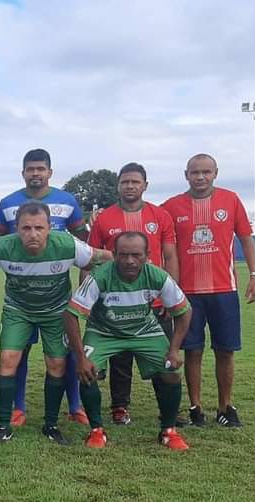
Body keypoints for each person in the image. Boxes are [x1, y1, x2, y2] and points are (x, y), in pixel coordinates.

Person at [0, 203, 111, 442]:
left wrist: (140, 267)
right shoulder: (2, 246)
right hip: (18, 310)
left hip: (56, 312)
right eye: (26, 228)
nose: (32, 234)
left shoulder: (67, 245)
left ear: (49, 228)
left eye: (39, 227)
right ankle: (3, 426)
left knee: (56, 364)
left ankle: (51, 425)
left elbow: (103, 257)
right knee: (7, 360)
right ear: (16, 228)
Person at [0, 148, 91, 427]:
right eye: (30, 169)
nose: (35, 173)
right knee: (15, 353)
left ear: (49, 172)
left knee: (63, 354)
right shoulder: (8, 203)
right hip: (19, 295)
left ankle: (75, 405)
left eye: (40, 169)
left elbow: (84, 241)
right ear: (23, 173)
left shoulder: (67, 201)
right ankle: (18, 407)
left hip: (56, 294)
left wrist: (85, 285)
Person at [64, 232, 193, 450]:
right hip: (103, 331)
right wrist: (80, 358)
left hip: (144, 329)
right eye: (123, 255)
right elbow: (70, 314)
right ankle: (96, 431)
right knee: (87, 372)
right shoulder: (100, 276)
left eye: (136, 254)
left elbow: (184, 311)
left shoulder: (157, 276)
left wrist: (174, 349)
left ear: (147, 255)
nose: (130, 260)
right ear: (113, 255)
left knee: (170, 373)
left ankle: (169, 431)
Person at [162, 153, 255, 427]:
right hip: (187, 293)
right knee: (192, 351)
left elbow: (245, 238)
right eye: (195, 172)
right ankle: (195, 408)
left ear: (216, 173)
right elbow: (150, 225)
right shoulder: (171, 206)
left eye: (206, 172)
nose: (201, 177)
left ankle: (225, 407)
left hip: (223, 290)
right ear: (186, 175)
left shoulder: (230, 200)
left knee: (225, 350)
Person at [88, 162, 178, 425]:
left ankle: (168, 412)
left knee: (163, 357)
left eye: (135, 182)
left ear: (145, 185)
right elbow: (92, 258)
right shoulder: (104, 219)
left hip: (155, 300)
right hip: (115, 300)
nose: (130, 186)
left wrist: (170, 296)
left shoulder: (160, 216)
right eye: (125, 182)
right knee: (120, 357)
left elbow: (170, 256)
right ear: (118, 185)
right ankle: (119, 407)